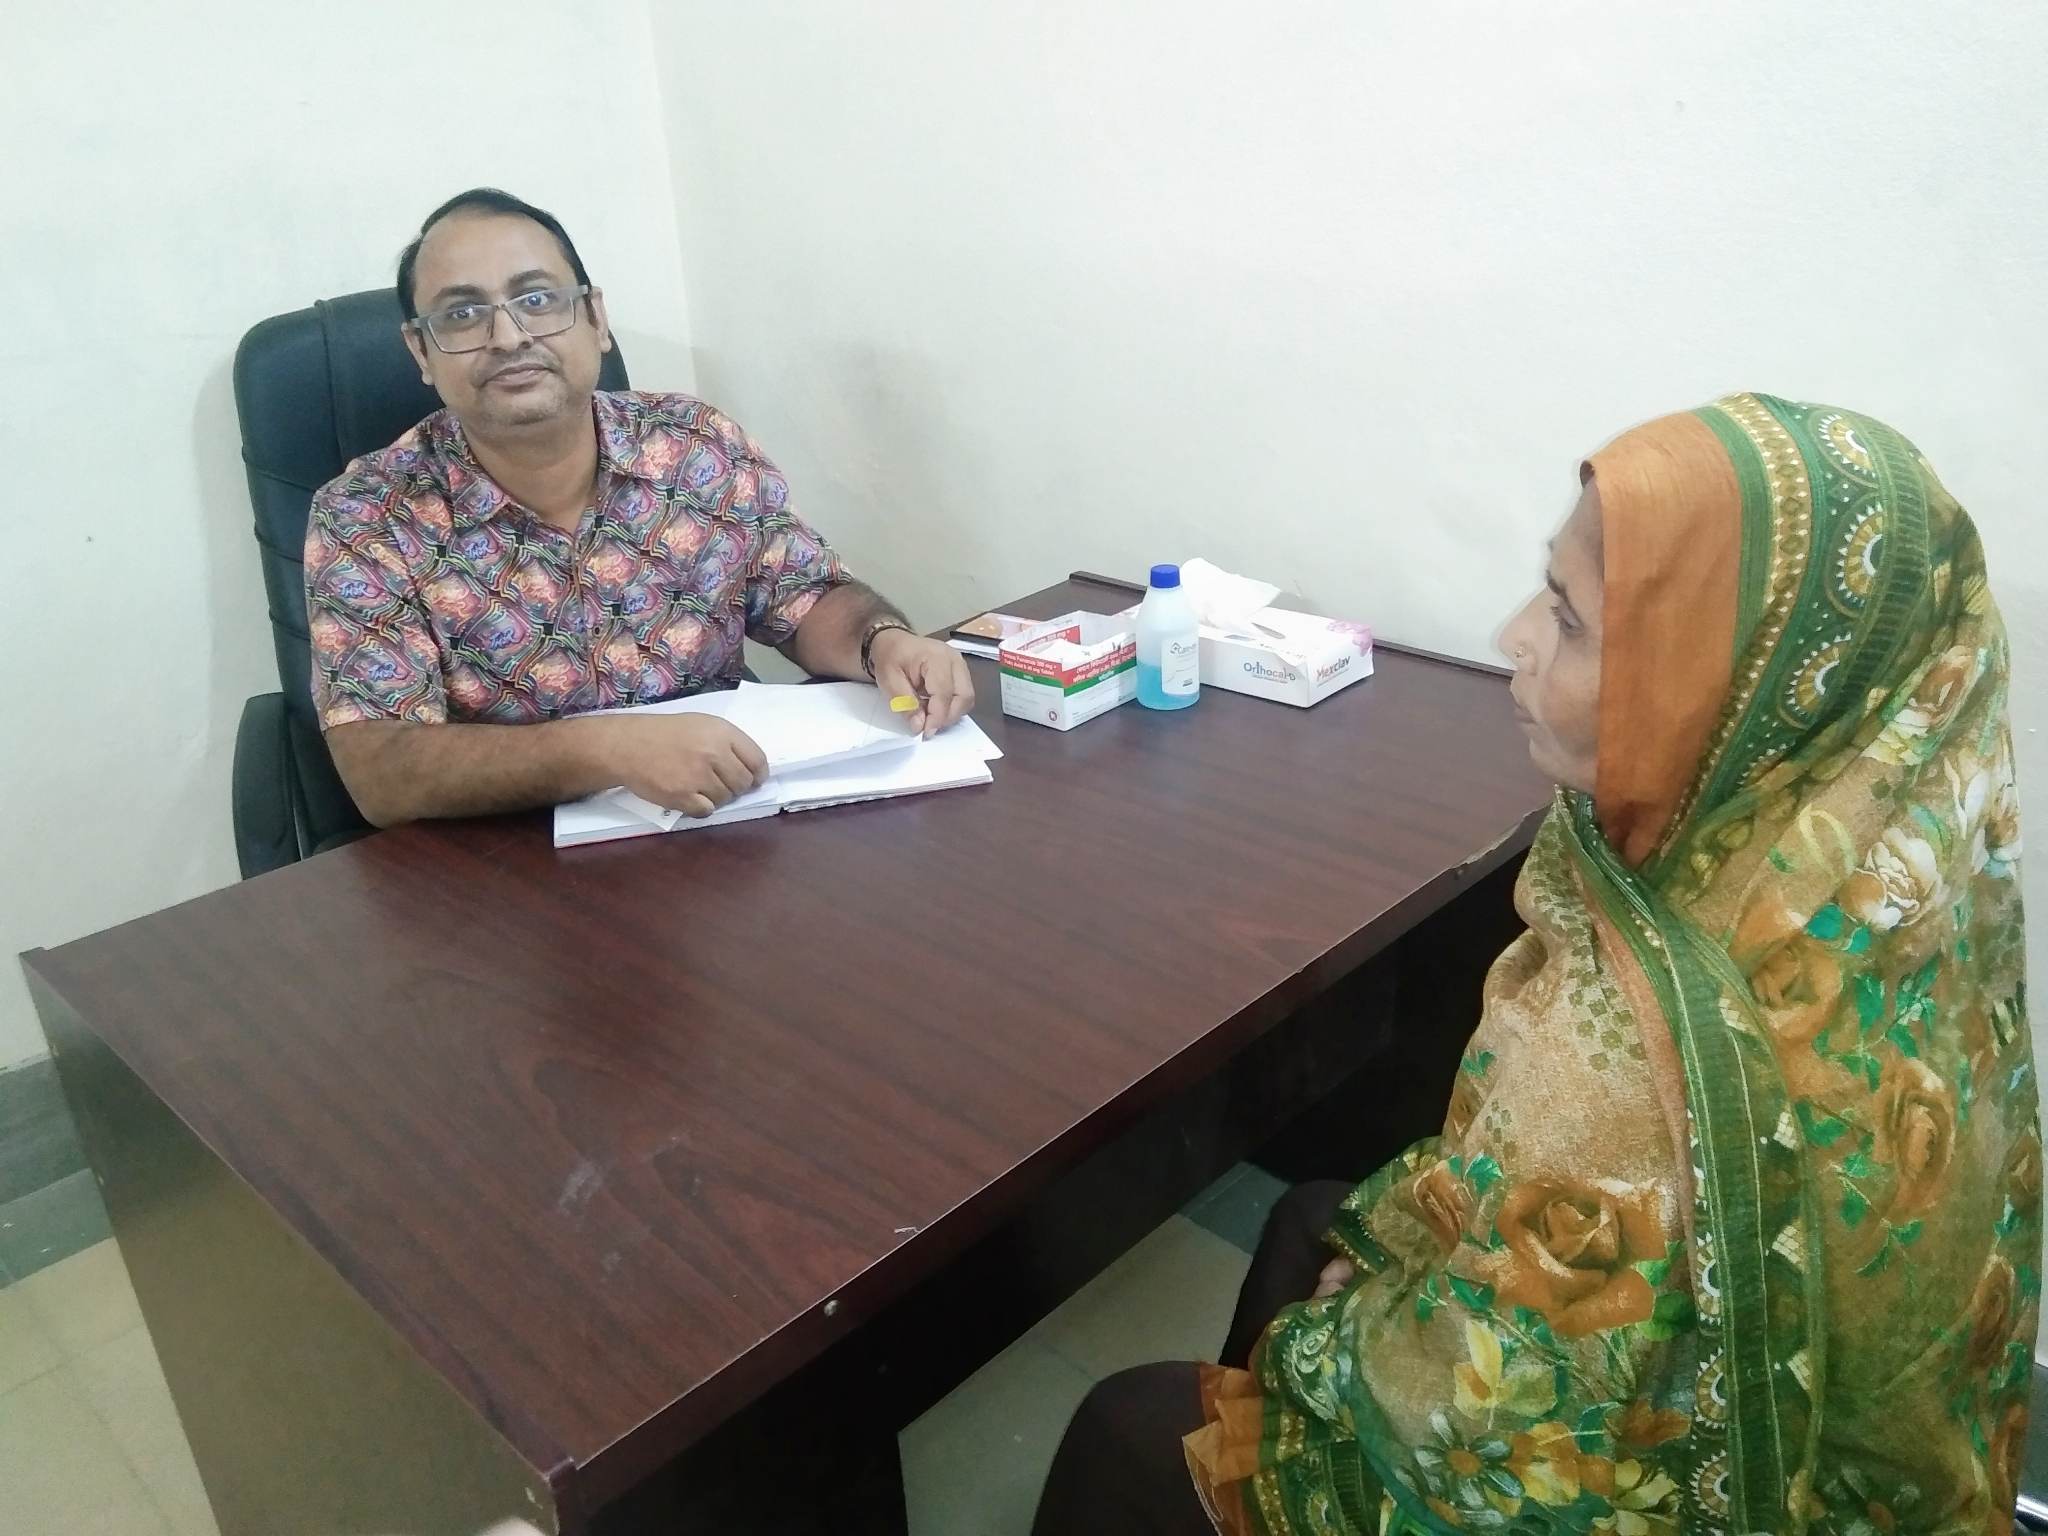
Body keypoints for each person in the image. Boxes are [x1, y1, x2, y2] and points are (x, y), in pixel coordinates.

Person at [1034, 395, 2037, 1535]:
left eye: (1566, 618)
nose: (1512, 635)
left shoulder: (1635, 1067)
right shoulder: (1882, 913)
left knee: (1128, 1425)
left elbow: (1477, 1430)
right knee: (1308, 1220)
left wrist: (1344, 1345)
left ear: (1715, 693)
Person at [304, 187, 973, 827]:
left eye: (536, 299)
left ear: (596, 319)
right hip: (505, 864)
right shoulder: (368, 515)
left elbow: (804, 598)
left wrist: (882, 641)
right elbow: (380, 769)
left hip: (724, 821)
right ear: (421, 352)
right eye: (461, 314)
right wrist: (607, 750)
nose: (507, 336)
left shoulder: (695, 445)